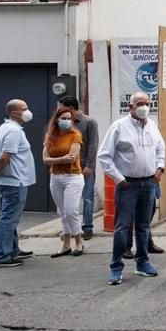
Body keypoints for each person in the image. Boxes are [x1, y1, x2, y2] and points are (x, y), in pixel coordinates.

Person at [98, 92, 166, 285]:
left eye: (147, 103)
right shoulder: (119, 127)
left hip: (149, 183)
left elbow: (161, 147)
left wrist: (160, 168)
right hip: (128, 184)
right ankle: (116, 267)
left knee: (143, 226)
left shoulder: (152, 126)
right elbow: (104, 155)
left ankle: (143, 262)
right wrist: (119, 179)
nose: (144, 107)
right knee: (122, 227)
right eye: (140, 104)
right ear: (131, 107)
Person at [0, 99, 36, 268]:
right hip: (14, 181)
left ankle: (12, 249)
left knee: (10, 217)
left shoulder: (5, 128)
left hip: (11, 180)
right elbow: (5, 156)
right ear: (14, 113)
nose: (28, 111)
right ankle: (0, 256)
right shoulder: (14, 131)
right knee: (8, 219)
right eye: (24, 108)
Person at [42, 105, 85, 257]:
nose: (66, 121)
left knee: (71, 210)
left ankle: (79, 241)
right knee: (63, 212)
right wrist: (60, 159)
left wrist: (55, 160)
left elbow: (72, 158)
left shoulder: (75, 135)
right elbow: (45, 159)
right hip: (56, 177)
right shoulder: (50, 136)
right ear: (57, 120)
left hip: (73, 177)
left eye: (69, 119)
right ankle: (66, 243)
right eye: (63, 118)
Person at [59, 97, 99, 240]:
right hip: (67, 166)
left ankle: (87, 227)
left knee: (87, 197)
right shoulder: (63, 123)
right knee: (67, 199)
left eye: (62, 108)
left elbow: (93, 145)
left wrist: (89, 166)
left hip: (83, 165)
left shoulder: (89, 122)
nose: (59, 111)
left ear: (70, 108)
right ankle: (69, 228)